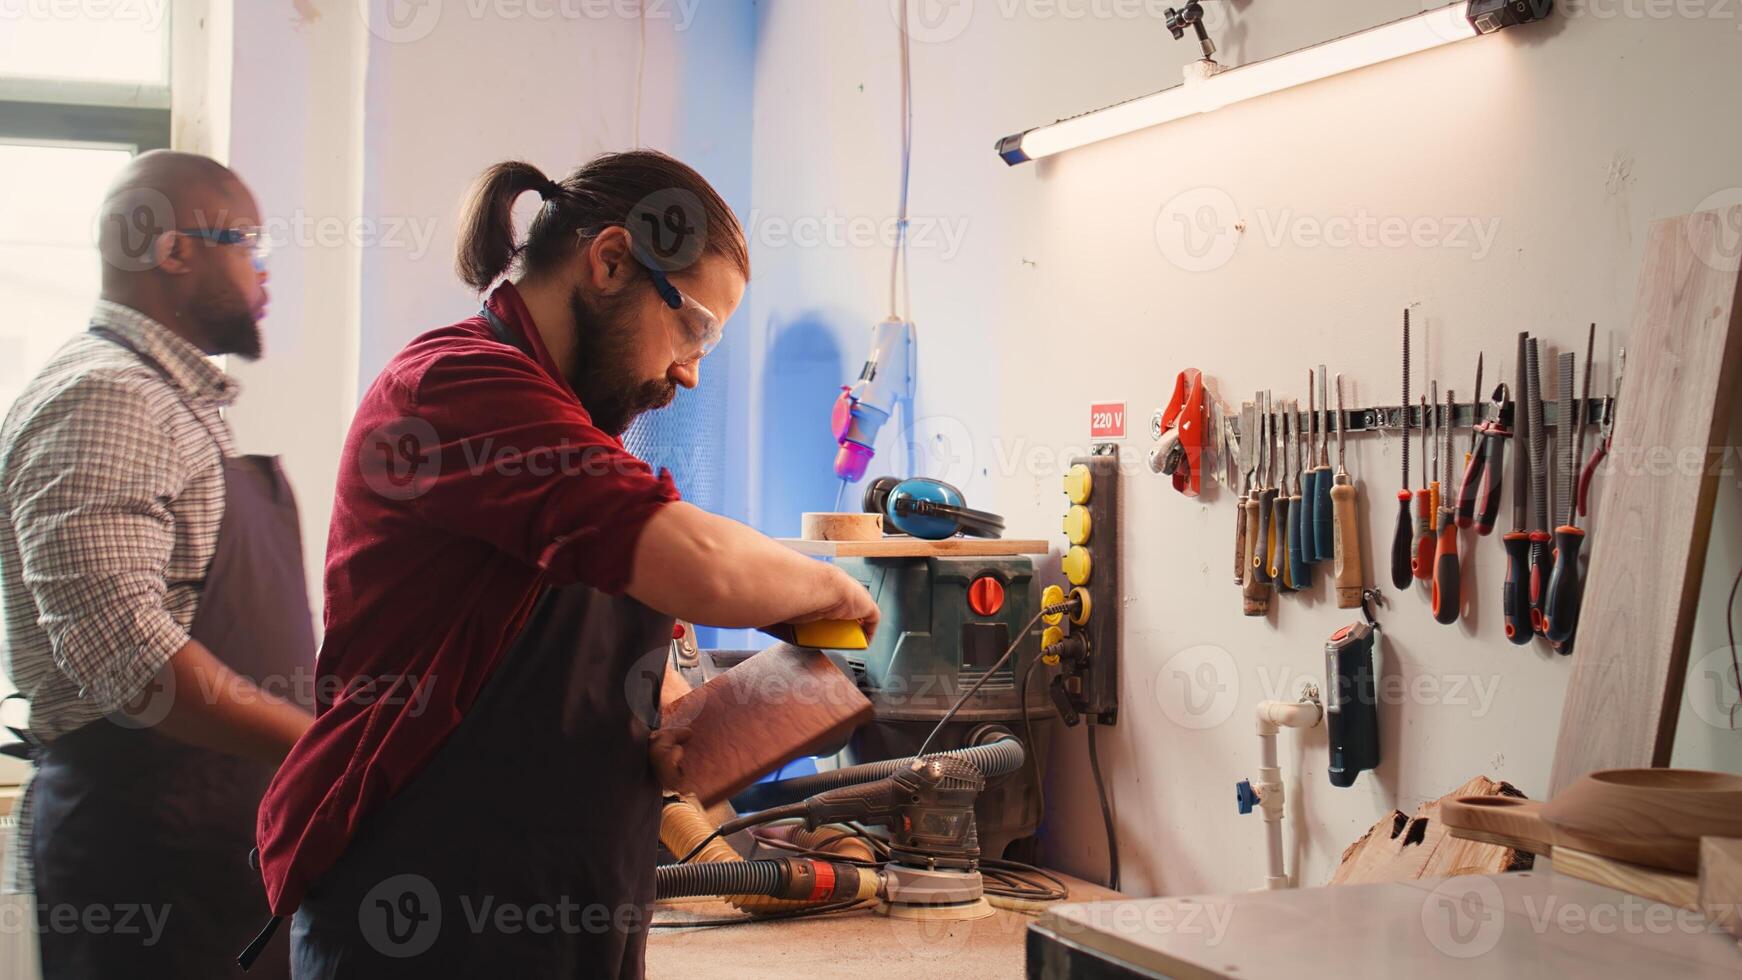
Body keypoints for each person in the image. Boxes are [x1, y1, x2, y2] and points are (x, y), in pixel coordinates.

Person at [255, 150, 879, 979]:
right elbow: (700, 565)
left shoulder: (570, 433)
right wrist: (838, 588)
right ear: (612, 260)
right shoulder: (454, 386)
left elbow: (617, 636)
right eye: (694, 327)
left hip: (572, 907)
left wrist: (668, 724)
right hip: (425, 916)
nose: (690, 370)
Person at [0, 150, 316, 978]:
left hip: (213, 852)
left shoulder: (170, 403)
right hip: (146, 859)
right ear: (175, 250)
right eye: (251, 247)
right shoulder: (107, 397)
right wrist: (324, 751)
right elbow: (131, 657)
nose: (264, 276)